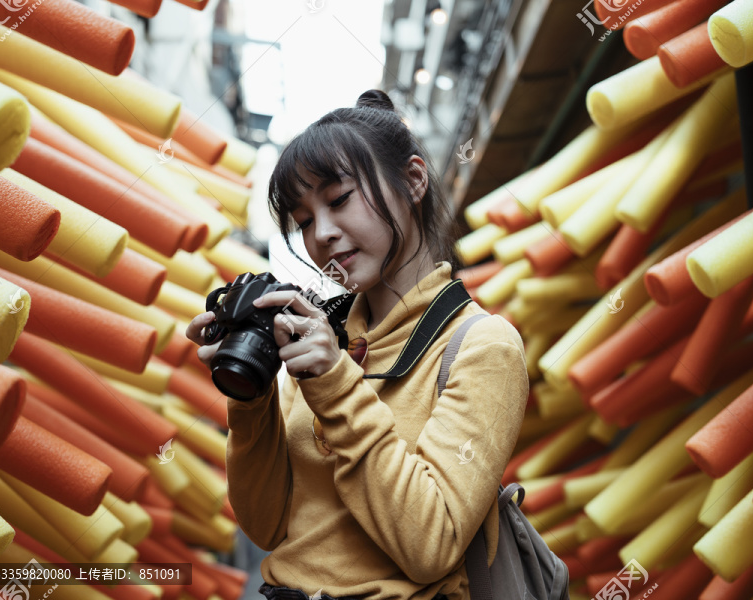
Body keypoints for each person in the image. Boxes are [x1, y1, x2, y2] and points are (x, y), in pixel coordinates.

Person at [186, 90, 529, 600]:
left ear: (413, 181)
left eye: (340, 198)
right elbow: (267, 527)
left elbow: (430, 544)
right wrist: (251, 399)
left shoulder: (483, 346)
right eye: (302, 221)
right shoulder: (325, 340)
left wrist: (336, 387)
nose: (321, 233)